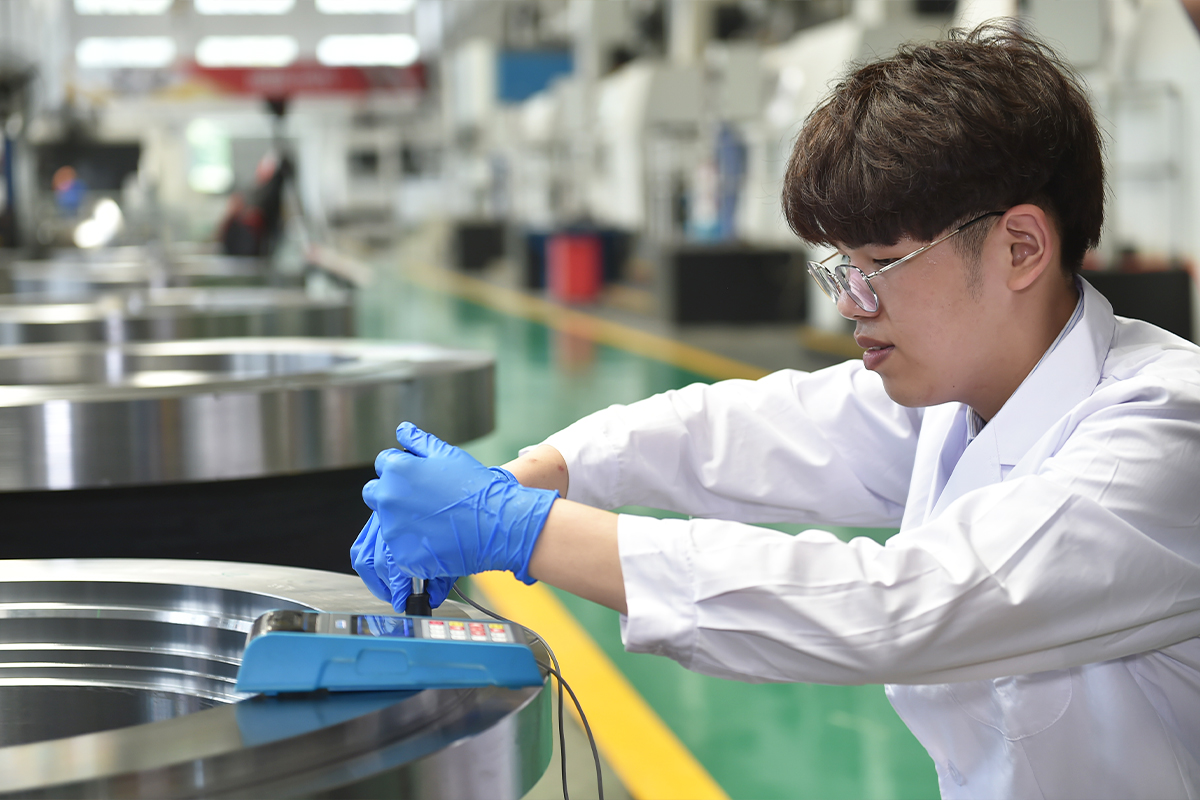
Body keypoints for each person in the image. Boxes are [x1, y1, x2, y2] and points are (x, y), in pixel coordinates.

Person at [352, 24, 1200, 799]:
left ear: (1020, 248)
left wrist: (520, 530)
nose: (852, 303)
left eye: (881, 263)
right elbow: (739, 431)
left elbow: (891, 607)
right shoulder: (959, 396)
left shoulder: (1163, 432)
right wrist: (534, 476)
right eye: (842, 269)